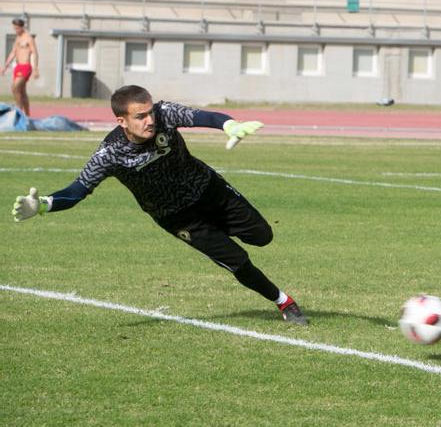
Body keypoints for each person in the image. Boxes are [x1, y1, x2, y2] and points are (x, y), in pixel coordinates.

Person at [11, 85, 308, 325]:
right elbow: (78, 190)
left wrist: (230, 125)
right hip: (176, 216)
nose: (149, 120)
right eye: (140, 116)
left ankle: (219, 231)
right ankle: (285, 302)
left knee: (262, 236)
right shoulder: (110, 154)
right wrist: (43, 206)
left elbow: (205, 117)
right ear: (121, 121)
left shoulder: (165, 113)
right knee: (237, 260)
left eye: (149, 112)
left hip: (208, 190)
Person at [2, 18, 39, 116]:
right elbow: (13, 52)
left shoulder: (29, 38)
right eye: (14, 28)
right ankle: (27, 115)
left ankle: (19, 111)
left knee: (15, 88)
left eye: (17, 28)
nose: (16, 30)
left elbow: (35, 53)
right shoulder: (17, 38)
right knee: (22, 92)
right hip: (18, 67)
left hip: (26, 67)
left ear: (22, 27)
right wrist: (5, 66)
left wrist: (35, 68)